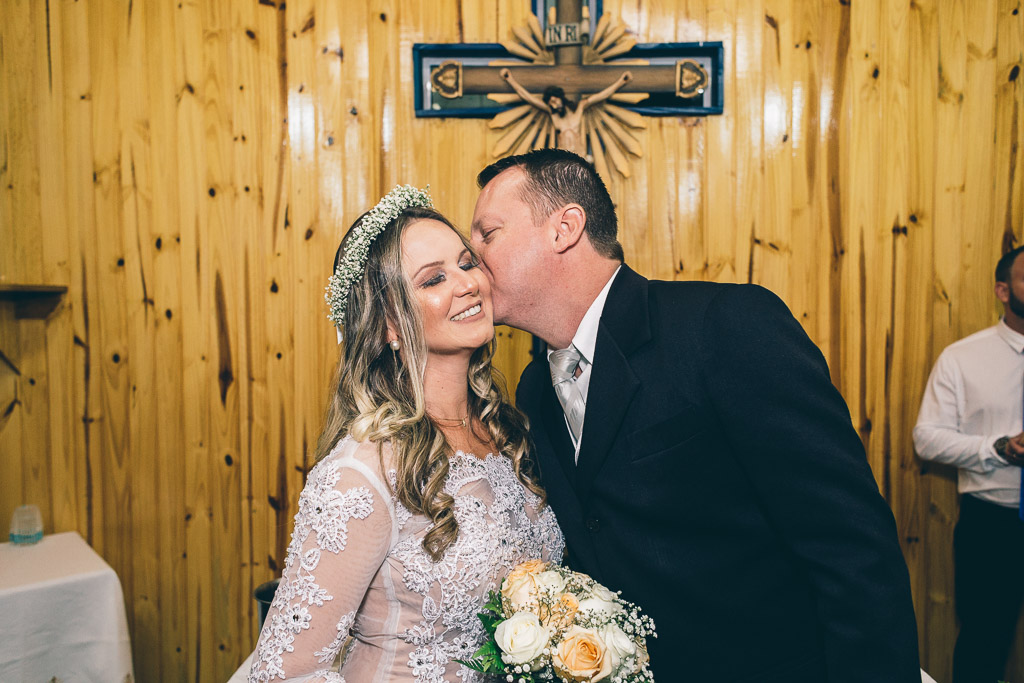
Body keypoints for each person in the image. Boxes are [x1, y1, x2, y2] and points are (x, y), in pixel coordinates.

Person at [470, 148, 921, 681]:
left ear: (565, 228)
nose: (469, 254)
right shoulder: (533, 388)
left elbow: (849, 543)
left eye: (487, 233)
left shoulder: (725, 328)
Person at [248, 185, 564, 683]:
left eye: (466, 263)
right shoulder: (361, 473)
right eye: (434, 279)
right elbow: (284, 672)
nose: (466, 284)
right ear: (391, 325)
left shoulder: (509, 431)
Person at [914, 245, 1024, 683]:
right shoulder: (962, 359)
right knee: (984, 643)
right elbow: (927, 439)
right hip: (993, 525)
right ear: (1002, 289)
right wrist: (999, 448)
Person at [499, 68, 631, 156]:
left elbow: (601, 96)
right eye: (551, 103)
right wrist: (510, 80)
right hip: (564, 158)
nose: (554, 105)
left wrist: (620, 82)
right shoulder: (553, 113)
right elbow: (528, 98)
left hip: (580, 157)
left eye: (554, 101)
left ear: (560, 97)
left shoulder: (579, 108)